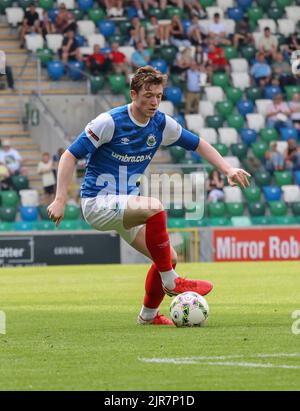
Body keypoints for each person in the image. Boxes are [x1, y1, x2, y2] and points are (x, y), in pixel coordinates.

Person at [47, 65, 250, 325]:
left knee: (169, 258)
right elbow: (69, 155)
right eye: (148, 96)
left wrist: (227, 168)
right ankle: (172, 282)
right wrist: (60, 199)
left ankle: (149, 316)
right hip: (97, 202)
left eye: (158, 96)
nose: (154, 102)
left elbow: (197, 143)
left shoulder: (161, 124)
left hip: (124, 206)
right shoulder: (110, 122)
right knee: (155, 206)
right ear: (133, 94)